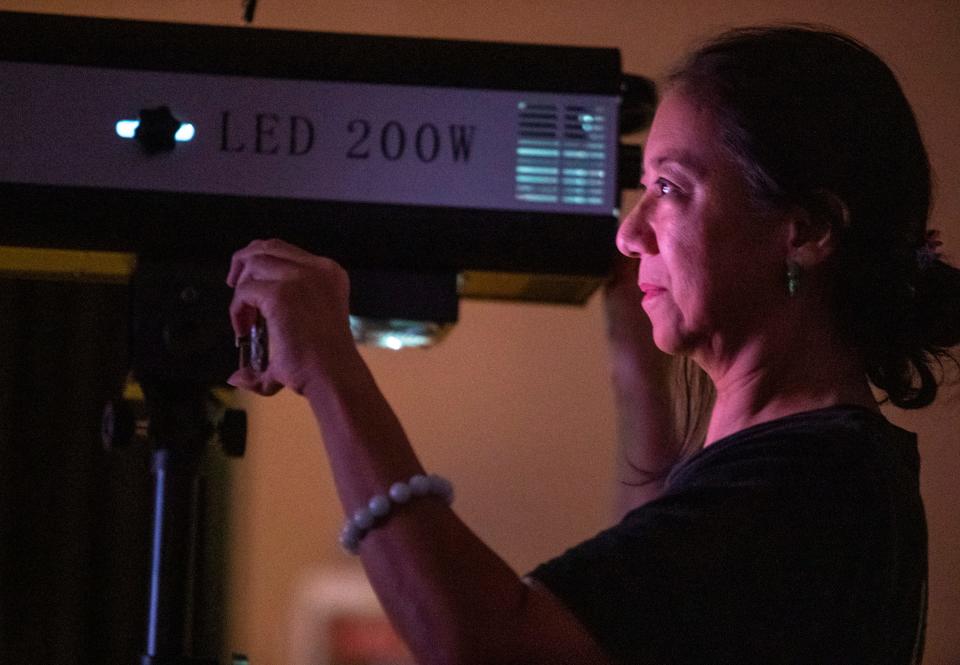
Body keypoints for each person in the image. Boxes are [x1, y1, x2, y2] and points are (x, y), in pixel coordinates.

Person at [227, 25, 960, 664]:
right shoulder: (816, 467)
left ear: (805, 231)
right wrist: (632, 344)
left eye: (671, 190)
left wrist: (329, 369)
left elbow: (483, 644)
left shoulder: (811, 485)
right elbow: (643, 609)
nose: (629, 232)